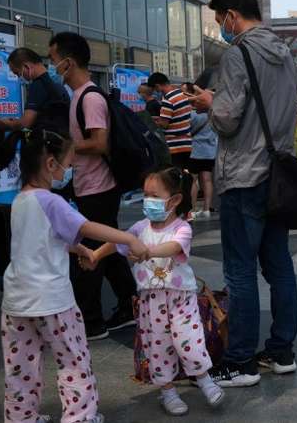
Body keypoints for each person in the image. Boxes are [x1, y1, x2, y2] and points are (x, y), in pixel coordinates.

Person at [188, 0, 297, 387]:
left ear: (232, 17)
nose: (222, 28)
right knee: (279, 266)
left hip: (243, 174)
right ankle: (281, 351)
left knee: (239, 271)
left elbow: (228, 118)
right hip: (278, 174)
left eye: (221, 21)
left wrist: (208, 103)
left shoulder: (237, 55)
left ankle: (240, 362)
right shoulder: (285, 54)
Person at [0, 129, 148, 423]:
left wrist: (80, 250)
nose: (70, 171)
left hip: (16, 302)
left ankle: (21, 417)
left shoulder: (19, 201)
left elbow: (41, 238)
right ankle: (80, 416)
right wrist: (129, 239)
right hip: (53, 302)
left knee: (20, 367)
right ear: (51, 165)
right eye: (68, 165)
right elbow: (89, 226)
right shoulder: (51, 201)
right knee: (73, 360)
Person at [84, 168, 225, 416]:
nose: (147, 200)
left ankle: (205, 381)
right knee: (158, 346)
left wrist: (148, 251)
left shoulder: (182, 228)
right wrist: (95, 255)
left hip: (181, 297)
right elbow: (118, 240)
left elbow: (172, 247)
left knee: (189, 342)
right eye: (145, 194)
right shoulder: (140, 227)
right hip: (152, 300)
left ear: (175, 200)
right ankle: (168, 392)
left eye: (153, 195)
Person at [49, 31, 137, 340]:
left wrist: (68, 147)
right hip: (89, 185)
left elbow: (100, 143)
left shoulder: (91, 97)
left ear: (68, 62)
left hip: (100, 187)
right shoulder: (79, 96)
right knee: (107, 251)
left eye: (53, 60)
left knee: (90, 253)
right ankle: (129, 303)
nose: (52, 67)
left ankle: (91, 320)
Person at [0, 47, 70, 134]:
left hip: (46, 142)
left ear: (26, 67)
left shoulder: (38, 85)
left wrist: (6, 124)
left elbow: (25, 123)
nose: (19, 77)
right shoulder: (57, 83)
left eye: (17, 73)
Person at [185, 73, 218, 219]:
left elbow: (188, 130)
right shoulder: (213, 112)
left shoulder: (194, 114)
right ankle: (206, 209)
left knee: (193, 180)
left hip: (196, 151)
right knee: (207, 180)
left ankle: (191, 210)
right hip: (210, 150)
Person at [147, 72, 193, 171]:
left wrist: (152, 122)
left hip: (174, 146)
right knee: (186, 176)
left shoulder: (168, 100)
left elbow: (164, 124)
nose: (156, 92)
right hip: (187, 143)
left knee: (174, 177)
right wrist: (159, 118)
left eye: (155, 89)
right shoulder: (182, 94)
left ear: (157, 86)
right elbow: (177, 116)